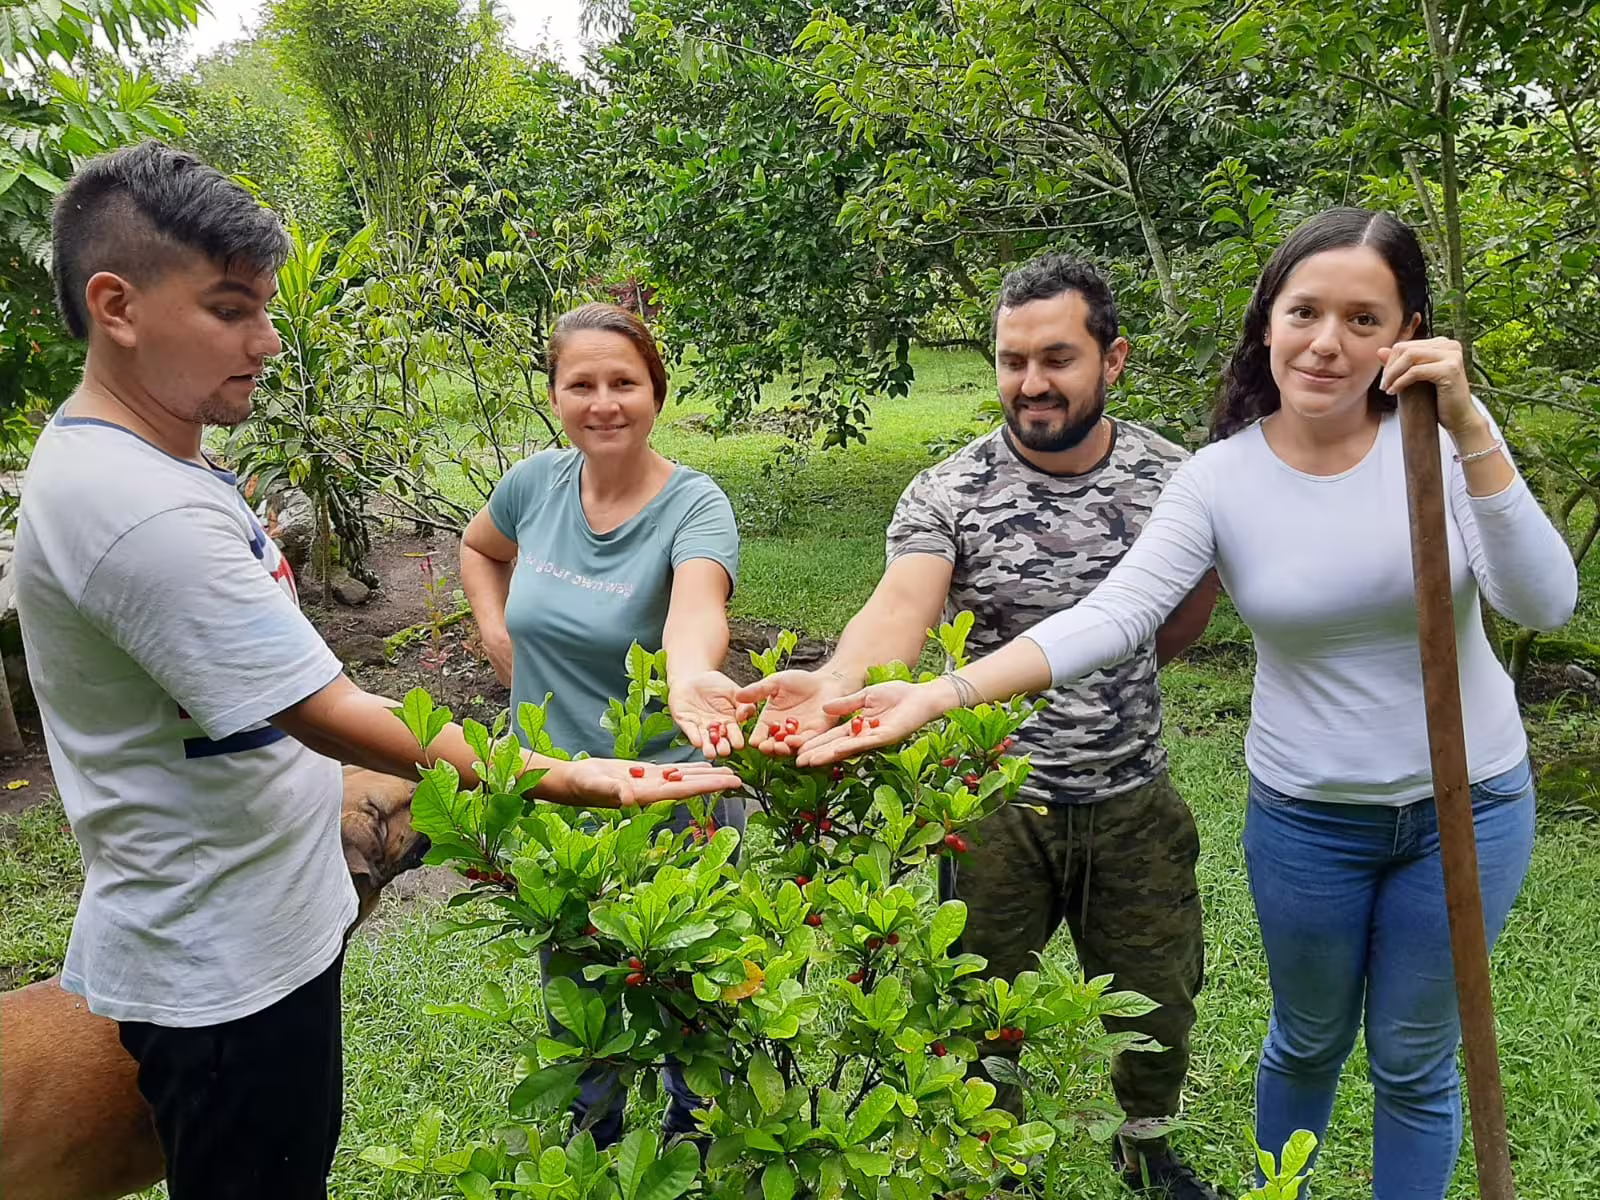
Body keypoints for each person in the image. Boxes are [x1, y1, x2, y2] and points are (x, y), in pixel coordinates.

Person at [790, 209, 1579, 1199]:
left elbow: (1543, 602)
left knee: (1413, 1058)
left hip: (1467, 801)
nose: (1327, 341)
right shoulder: (1219, 477)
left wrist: (1468, 422)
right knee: (1303, 1036)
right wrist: (928, 696)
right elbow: (1116, 614)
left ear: (1408, 330)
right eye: (1303, 312)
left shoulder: (1441, 446)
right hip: (1304, 811)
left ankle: (1213, 1155)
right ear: (1266, 324)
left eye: (1362, 318)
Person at [12, 141, 739, 1200]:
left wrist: (683, 686)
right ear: (117, 305)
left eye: (263, 305)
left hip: (254, 928)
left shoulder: (163, 459)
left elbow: (693, 612)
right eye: (229, 309)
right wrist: (561, 773)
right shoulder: (139, 507)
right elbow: (327, 710)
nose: (266, 340)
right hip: (221, 965)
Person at [737, 255, 1224, 1198]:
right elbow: (899, 610)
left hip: (1132, 797)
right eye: (1011, 360)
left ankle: (1146, 1141)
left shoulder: (1180, 480)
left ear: (1112, 359)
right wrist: (838, 679)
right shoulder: (947, 490)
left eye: (1057, 357)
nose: (1032, 382)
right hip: (992, 809)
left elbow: (1184, 619)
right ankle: (993, 1161)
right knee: (977, 1008)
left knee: (1160, 999)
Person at [460, 301, 746, 1148]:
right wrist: (493, 625)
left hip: (670, 798)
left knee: (692, 1001)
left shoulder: (694, 506)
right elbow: (480, 549)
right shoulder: (532, 487)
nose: (604, 403)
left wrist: (693, 678)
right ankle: (595, 1148)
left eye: (624, 382)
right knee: (580, 1001)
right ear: (554, 394)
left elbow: (696, 611)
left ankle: (692, 1150)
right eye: (581, 383)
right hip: (555, 795)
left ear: (656, 391)